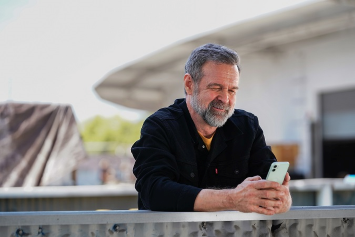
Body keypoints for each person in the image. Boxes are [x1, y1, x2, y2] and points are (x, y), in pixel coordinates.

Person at [131, 43, 292, 214]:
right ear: (189, 85)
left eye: (232, 90)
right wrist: (233, 199)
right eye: (216, 88)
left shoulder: (248, 126)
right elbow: (154, 191)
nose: (225, 98)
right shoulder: (160, 126)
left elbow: (272, 189)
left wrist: (282, 199)